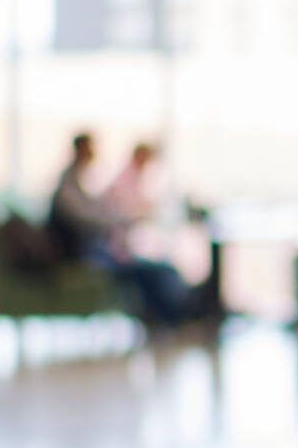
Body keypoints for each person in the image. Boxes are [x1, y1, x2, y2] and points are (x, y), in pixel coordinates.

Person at [47, 132, 204, 329]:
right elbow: (89, 219)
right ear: (80, 150)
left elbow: (98, 212)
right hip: (82, 253)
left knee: (157, 268)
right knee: (148, 271)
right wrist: (123, 219)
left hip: (101, 247)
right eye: (90, 149)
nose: (94, 154)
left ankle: (172, 316)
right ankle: (171, 319)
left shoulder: (77, 184)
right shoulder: (68, 188)